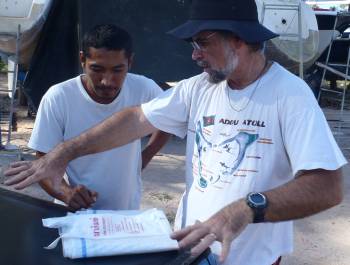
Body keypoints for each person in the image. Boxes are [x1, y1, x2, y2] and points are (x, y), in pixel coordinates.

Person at [5, 0, 346, 264]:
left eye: (202, 42)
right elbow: (137, 119)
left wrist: (246, 208)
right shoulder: (199, 88)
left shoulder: (289, 94)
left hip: (249, 257)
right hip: (190, 250)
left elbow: (328, 187)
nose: (194, 54)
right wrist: (64, 153)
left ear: (238, 40)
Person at [26, 24, 169, 211]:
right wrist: (65, 193)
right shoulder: (58, 97)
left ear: (130, 62)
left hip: (125, 213)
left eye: (117, 70)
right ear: (82, 60)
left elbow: (168, 121)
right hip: (73, 216)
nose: (107, 81)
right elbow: (43, 160)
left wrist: (145, 157)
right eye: (97, 69)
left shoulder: (144, 89)